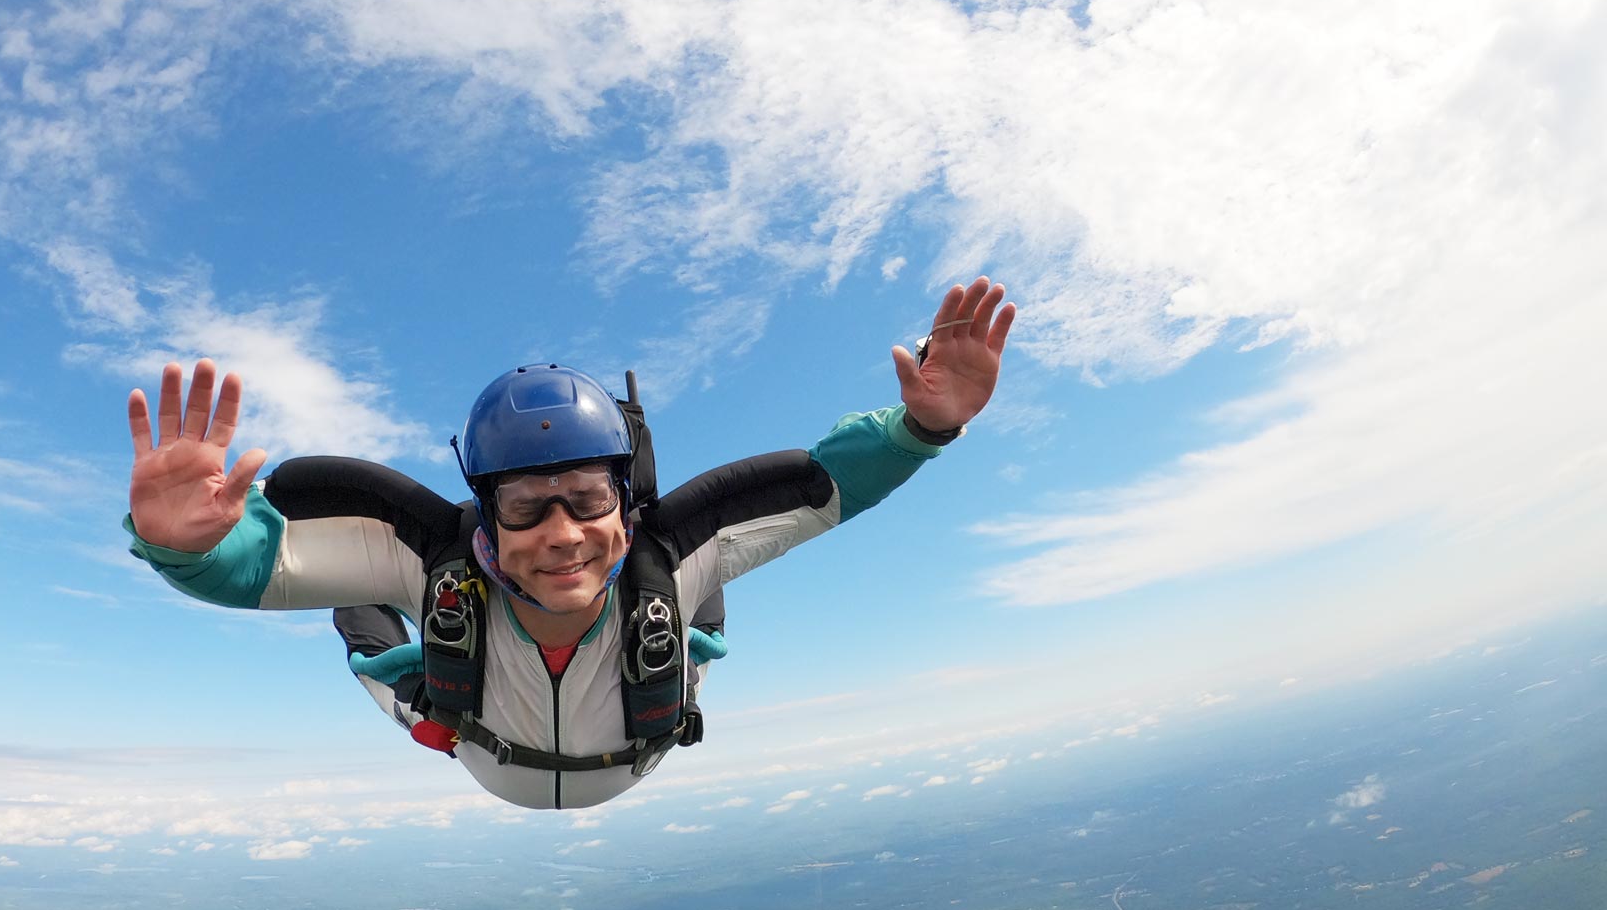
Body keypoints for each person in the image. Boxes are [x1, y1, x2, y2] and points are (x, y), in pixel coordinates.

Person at [125, 277, 1017, 810]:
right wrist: (190, 549)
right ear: (483, 516)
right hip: (471, 740)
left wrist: (920, 428)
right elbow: (260, 573)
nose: (562, 535)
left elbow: (824, 486)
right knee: (374, 641)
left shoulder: (663, 547)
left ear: (624, 501)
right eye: (524, 507)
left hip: (626, 735)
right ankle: (376, 627)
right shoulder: (433, 559)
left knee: (692, 575)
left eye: (588, 499)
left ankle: (685, 609)